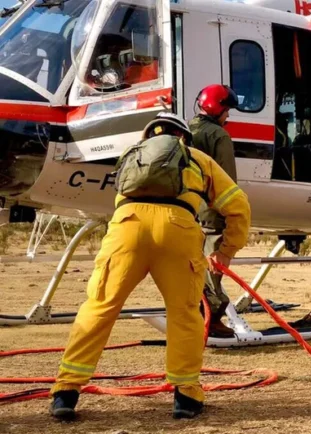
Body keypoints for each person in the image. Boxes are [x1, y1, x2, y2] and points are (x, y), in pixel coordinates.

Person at [48, 113, 251, 420]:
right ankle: (186, 397)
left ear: (147, 138)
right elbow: (239, 206)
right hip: (177, 230)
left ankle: (66, 392)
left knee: (99, 307)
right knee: (184, 314)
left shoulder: (133, 157)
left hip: (127, 228)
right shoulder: (196, 158)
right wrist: (225, 251)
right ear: (183, 137)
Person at [189, 84, 240, 338]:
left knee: (191, 265)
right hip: (210, 213)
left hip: (187, 211)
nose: (228, 116)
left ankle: (192, 313)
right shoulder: (219, 136)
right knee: (213, 266)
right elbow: (227, 181)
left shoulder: (185, 129)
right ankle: (212, 317)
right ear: (217, 109)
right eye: (227, 110)